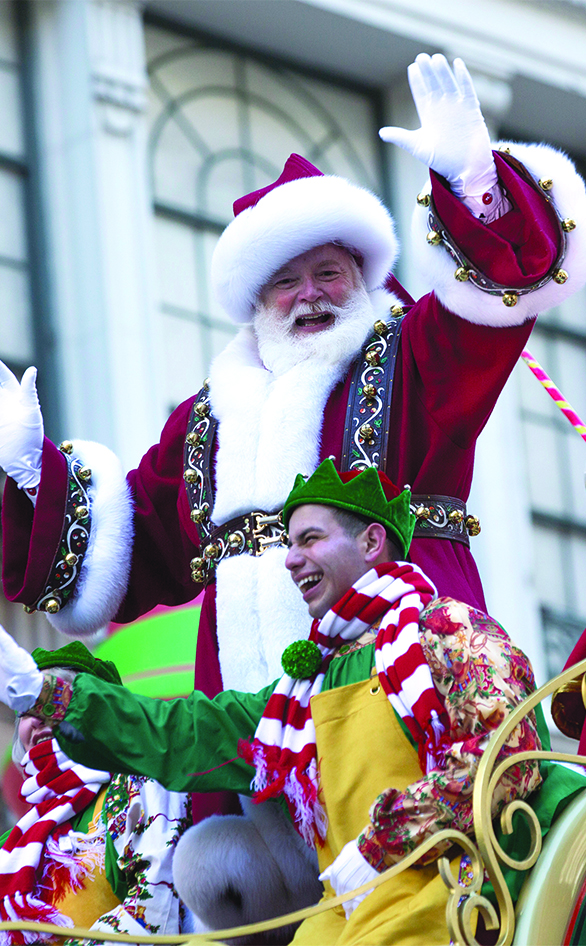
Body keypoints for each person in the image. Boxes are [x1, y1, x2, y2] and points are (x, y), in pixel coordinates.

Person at [1, 50, 586, 923]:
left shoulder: (405, 360)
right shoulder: (209, 423)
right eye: (286, 281)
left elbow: (496, 302)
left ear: (364, 278)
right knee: (224, 889)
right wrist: (28, 475)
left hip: (394, 713)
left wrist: (477, 186)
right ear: (254, 301)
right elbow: (118, 558)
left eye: (329, 274)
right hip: (251, 751)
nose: (309, 297)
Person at [1, 461, 584, 945]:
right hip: (344, 909)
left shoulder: (445, 629)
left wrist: (384, 843)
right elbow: (186, 730)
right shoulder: (298, 695)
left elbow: (511, 755)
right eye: (288, 543)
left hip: (453, 896)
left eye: (310, 538)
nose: (289, 558)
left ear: (371, 541)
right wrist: (48, 694)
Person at [0, 641, 191, 945]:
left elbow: (152, 915)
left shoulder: (137, 786)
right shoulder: (11, 845)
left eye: (54, 700)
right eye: (26, 710)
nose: (38, 716)